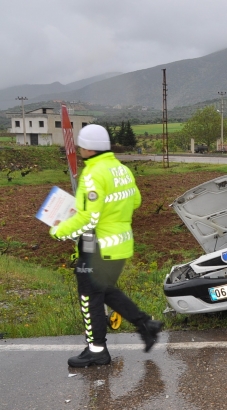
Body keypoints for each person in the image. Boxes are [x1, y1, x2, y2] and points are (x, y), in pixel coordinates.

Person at [49, 124, 163, 368]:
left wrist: (59, 231)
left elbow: (88, 219)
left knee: (90, 297)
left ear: (87, 148)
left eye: (81, 145)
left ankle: (97, 351)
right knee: (105, 290)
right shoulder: (121, 170)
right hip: (119, 246)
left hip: (97, 248)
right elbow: (136, 202)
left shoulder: (92, 174)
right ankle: (146, 325)